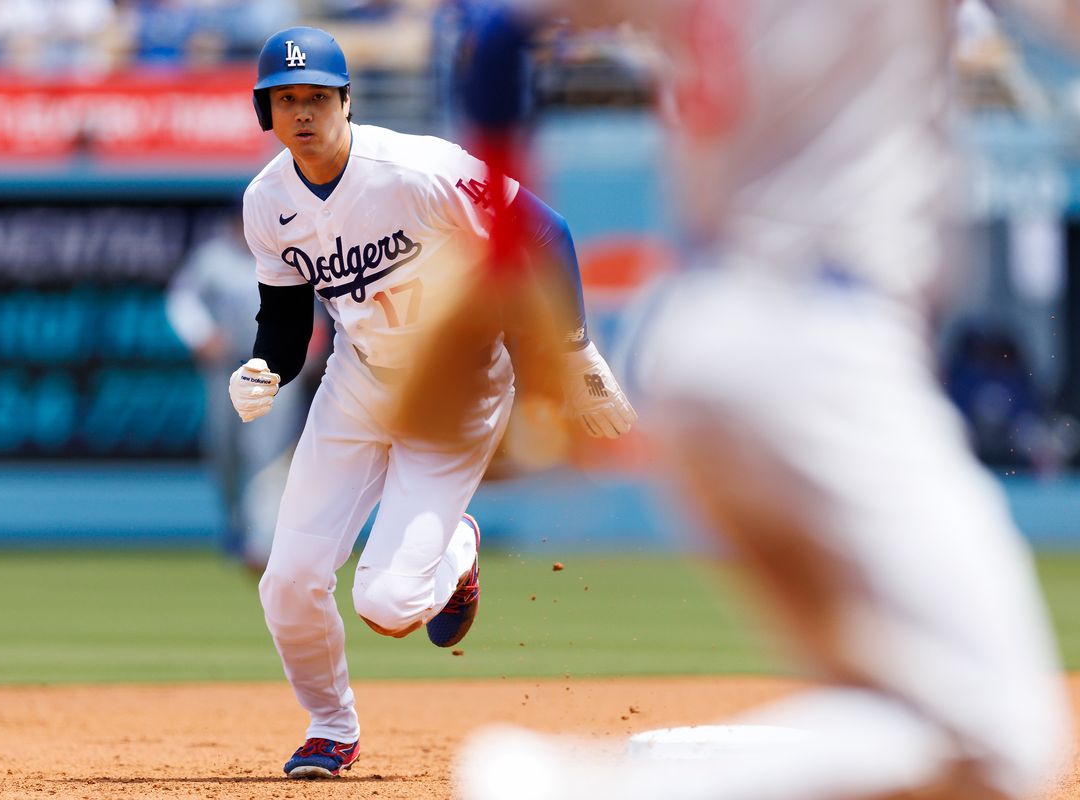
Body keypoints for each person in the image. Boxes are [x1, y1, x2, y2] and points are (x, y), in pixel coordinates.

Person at [454, 2, 1072, 800]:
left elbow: (492, 30)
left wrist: (502, 265)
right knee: (1001, 733)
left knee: (907, 720)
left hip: (697, 337)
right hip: (825, 344)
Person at [226, 25, 636, 780]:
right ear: (266, 114)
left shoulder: (417, 169)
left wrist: (575, 350)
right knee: (287, 583)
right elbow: (285, 320)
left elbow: (545, 229)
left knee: (386, 605)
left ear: (346, 102)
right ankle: (330, 726)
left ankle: (456, 551)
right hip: (359, 383)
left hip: (459, 386)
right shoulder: (267, 204)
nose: (304, 113)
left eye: (318, 96)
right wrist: (265, 367)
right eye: (286, 101)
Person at [165, 211, 317, 570]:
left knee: (267, 452)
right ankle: (237, 523)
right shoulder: (214, 258)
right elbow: (181, 299)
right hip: (227, 366)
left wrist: (311, 345)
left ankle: (261, 539)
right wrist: (202, 335)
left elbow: (323, 302)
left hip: (275, 368)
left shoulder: (290, 252)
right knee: (224, 451)